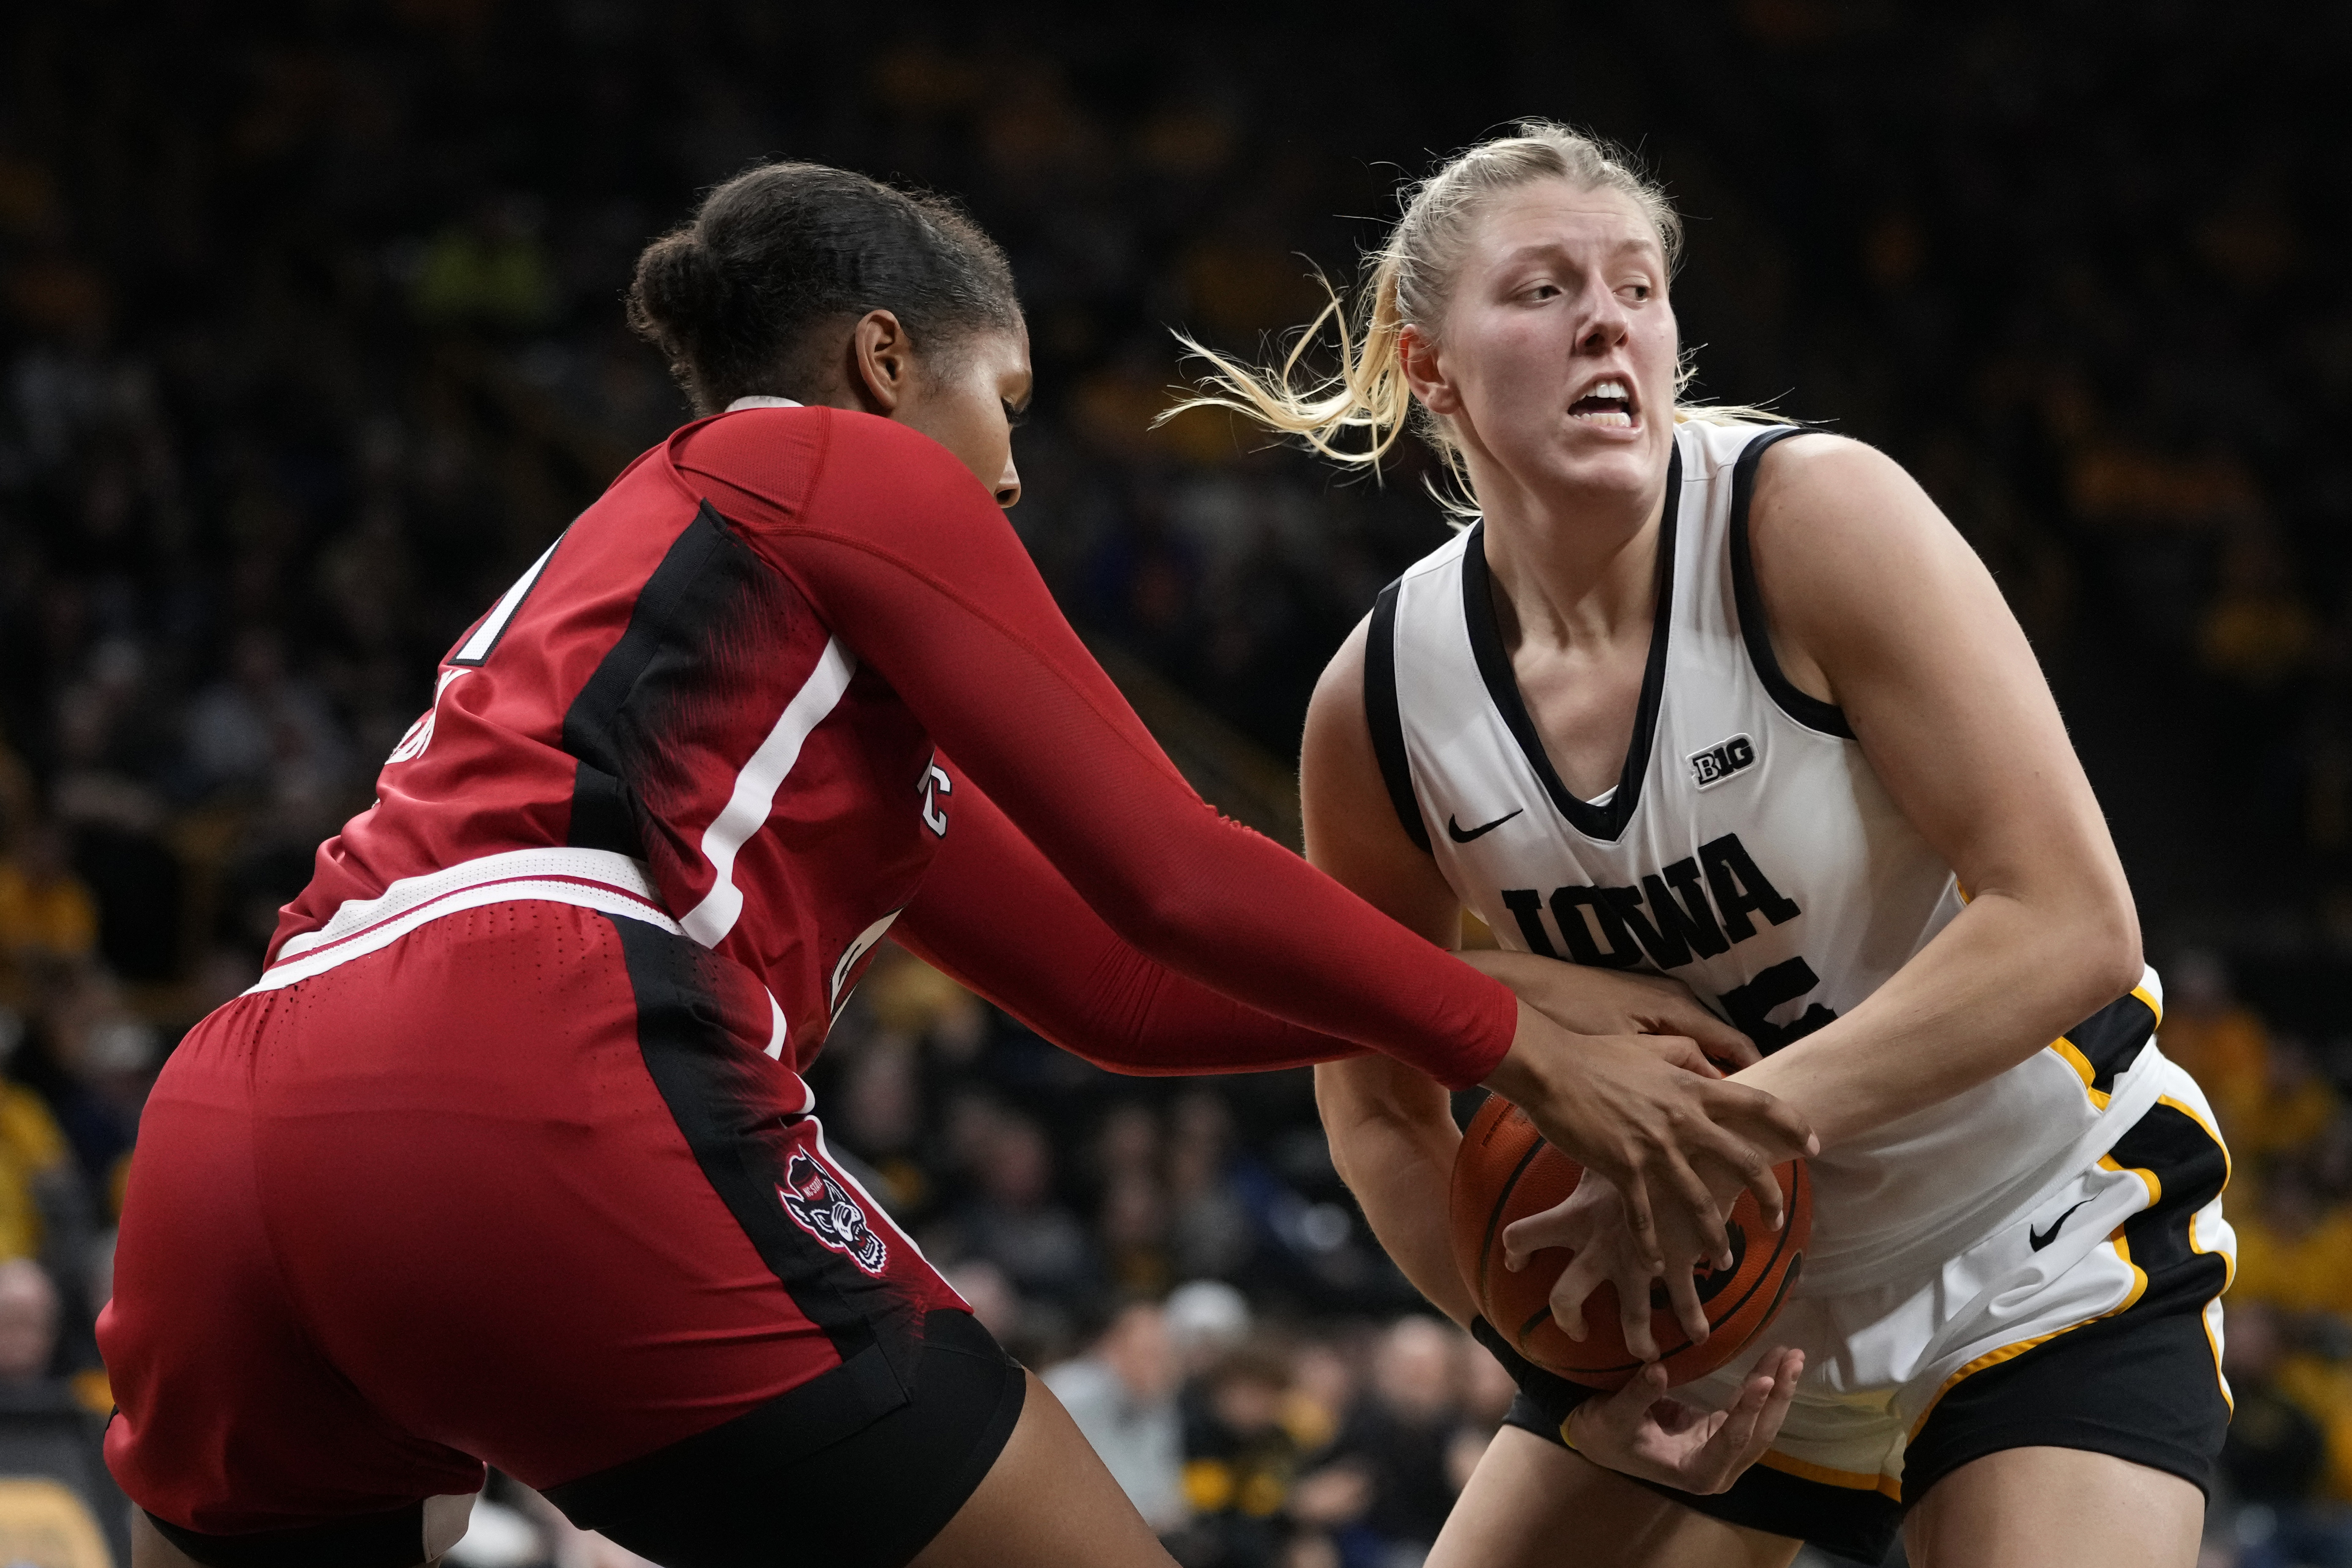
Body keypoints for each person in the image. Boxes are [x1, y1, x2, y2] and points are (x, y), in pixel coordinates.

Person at [96, 160, 1812, 1568]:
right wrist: (1516, 1052)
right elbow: (1171, 870)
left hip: (236, 1133)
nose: (1008, 472)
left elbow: (1127, 998)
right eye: (1005, 404)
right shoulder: (823, 457)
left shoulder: (740, 657)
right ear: (883, 360)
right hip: (531, 1053)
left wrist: (1502, 978)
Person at [1185, 123, 2234, 1567]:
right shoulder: (1378, 703)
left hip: (2028, 1240)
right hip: (1706, 1315)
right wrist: (1561, 1362)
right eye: (1543, 290)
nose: (1605, 319)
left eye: (1636, 285)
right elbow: (1372, 1104)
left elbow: (2069, 919)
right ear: (1427, 363)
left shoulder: (1811, 519)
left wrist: (1710, 1135)